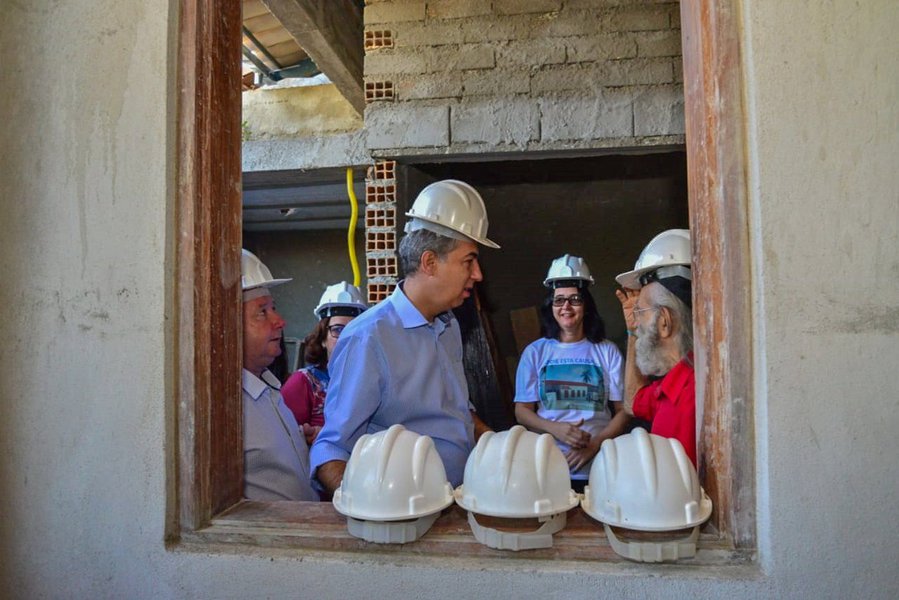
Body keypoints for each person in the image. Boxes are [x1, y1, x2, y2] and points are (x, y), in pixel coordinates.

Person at [310, 179, 498, 495]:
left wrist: (497, 446)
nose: (478, 274)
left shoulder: (448, 326)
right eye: (469, 261)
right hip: (409, 517)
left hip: (457, 502)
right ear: (429, 262)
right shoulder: (368, 339)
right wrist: (364, 508)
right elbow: (332, 448)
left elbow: (458, 414)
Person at [514, 255, 629, 489]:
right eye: (559, 300)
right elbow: (522, 412)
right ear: (551, 306)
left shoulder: (607, 351)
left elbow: (624, 410)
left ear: (586, 306)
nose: (566, 307)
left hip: (600, 467)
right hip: (548, 466)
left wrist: (595, 443)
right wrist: (556, 429)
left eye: (574, 299)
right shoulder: (535, 353)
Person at [241, 249, 318, 501]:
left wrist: (297, 444)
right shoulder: (226, 409)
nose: (280, 321)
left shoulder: (269, 389)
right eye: (262, 312)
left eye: (274, 308)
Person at [615, 229, 697, 466]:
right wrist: (632, 331)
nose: (637, 322)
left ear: (664, 321)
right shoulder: (673, 385)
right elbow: (632, 402)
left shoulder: (697, 395)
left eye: (640, 312)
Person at [281, 282, 367, 446]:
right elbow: (282, 444)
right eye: (338, 330)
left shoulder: (372, 381)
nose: (346, 339)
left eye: (353, 330)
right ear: (322, 338)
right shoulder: (302, 383)